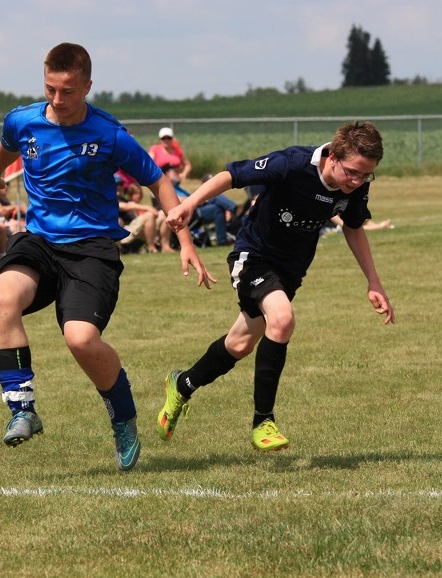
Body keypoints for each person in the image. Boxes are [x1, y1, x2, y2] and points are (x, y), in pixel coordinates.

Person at [0, 42, 214, 472]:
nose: (57, 99)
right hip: (40, 241)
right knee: (0, 299)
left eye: (68, 91)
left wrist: (184, 242)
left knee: (81, 340)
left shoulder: (109, 135)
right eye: (50, 88)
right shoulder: (23, 120)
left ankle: (123, 418)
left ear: (88, 85)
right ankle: (22, 409)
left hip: (92, 250)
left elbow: (159, 184)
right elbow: (6, 145)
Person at [157, 121, 395, 452]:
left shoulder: (355, 186)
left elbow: (354, 227)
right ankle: (263, 422)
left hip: (290, 272)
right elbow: (232, 175)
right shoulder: (293, 164)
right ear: (333, 156)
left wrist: (373, 282)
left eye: (365, 175)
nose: (357, 182)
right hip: (252, 257)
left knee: (239, 345)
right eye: (353, 172)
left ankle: (182, 385)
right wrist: (189, 203)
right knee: (282, 318)